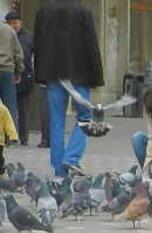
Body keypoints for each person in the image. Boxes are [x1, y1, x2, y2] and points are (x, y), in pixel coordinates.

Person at [34, 0, 102, 177]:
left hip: (53, 75)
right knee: (85, 118)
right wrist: (96, 76)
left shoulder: (43, 11)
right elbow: (91, 45)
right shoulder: (82, 11)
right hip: (80, 74)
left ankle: (59, 171)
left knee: (56, 121)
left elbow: (38, 44)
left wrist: (40, 75)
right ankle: (71, 157)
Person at [5, 12, 31, 145]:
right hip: (8, 75)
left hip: (24, 77)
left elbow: (29, 57)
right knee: (7, 108)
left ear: (20, 23)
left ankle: (24, 136)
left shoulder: (28, 38)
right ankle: (9, 135)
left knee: (23, 108)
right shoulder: (5, 35)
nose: (13, 26)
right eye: (10, 23)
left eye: (15, 23)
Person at [0, 17, 22, 137]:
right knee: (10, 104)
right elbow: (18, 53)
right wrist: (19, 71)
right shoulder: (9, 30)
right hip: (7, 70)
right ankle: (11, 135)